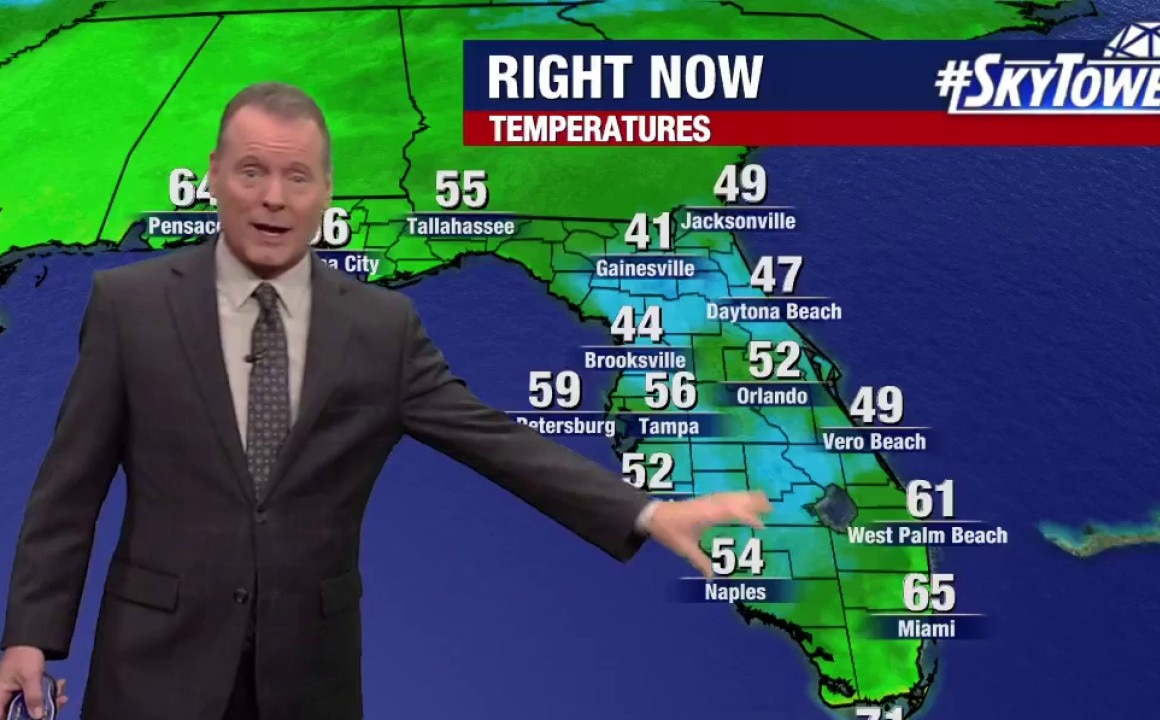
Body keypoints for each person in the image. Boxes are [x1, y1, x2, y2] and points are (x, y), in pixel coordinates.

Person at [0, 82, 772, 719]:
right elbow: (70, 487)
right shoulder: (130, 306)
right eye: (251, 172)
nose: (273, 198)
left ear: (326, 192)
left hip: (308, 680)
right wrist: (29, 637)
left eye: (297, 177)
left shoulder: (381, 329)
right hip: (152, 673)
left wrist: (643, 511)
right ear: (213, 175)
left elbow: (495, 441)